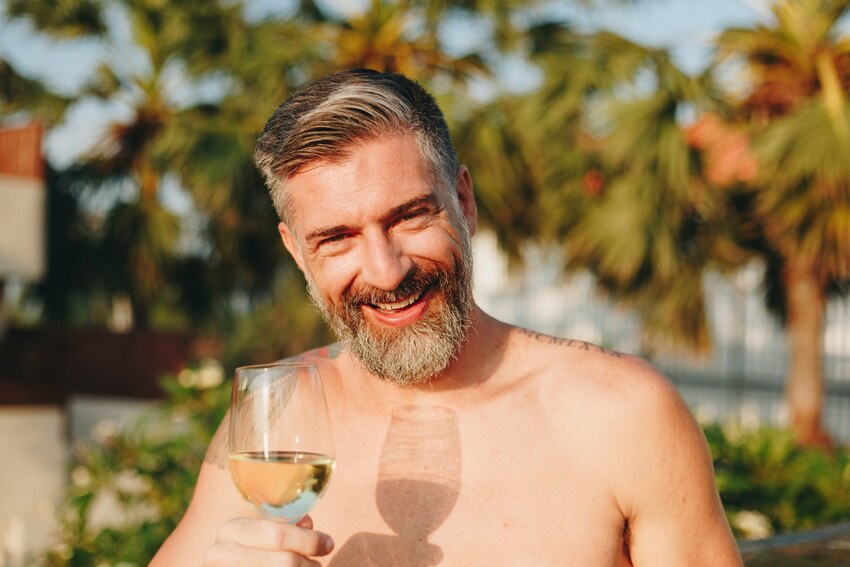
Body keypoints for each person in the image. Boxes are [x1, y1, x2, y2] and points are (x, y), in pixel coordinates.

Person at [152, 68, 743, 566]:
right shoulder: (271, 422)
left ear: (463, 202)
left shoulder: (622, 414)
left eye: (409, 216)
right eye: (337, 239)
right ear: (297, 252)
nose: (385, 272)